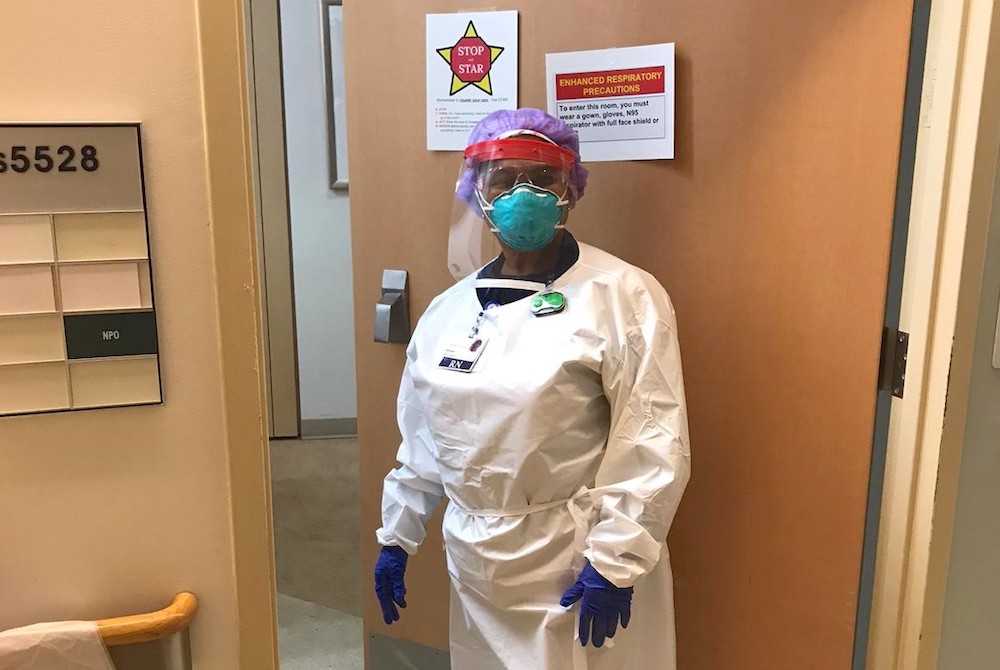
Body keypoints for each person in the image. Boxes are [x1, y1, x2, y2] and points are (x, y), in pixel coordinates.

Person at [373, 108, 691, 670]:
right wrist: (398, 534)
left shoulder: (623, 296)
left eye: (542, 179)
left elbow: (654, 435)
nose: (524, 192)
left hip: (574, 561)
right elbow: (424, 438)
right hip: (476, 561)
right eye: (504, 177)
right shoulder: (448, 311)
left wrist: (616, 560)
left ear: (571, 191)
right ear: (478, 191)